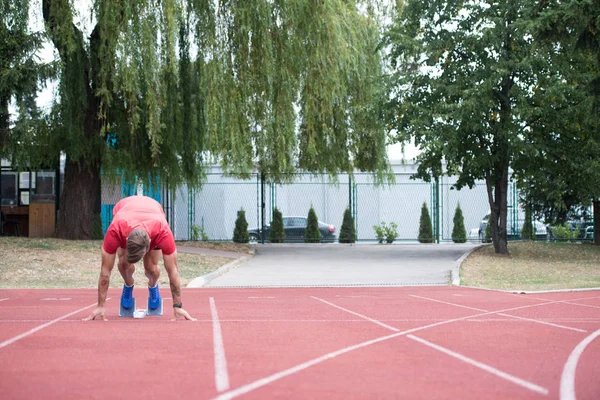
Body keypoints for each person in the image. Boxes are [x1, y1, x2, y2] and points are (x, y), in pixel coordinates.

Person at [84, 195, 196, 321]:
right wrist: (101, 305)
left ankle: (153, 287)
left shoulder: (162, 231)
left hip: (153, 214)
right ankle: (128, 285)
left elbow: (173, 271)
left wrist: (177, 305)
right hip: (125, 211)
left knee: (151, 268)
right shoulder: (116, 230)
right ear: (126, 241)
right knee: (124, 263)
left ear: (150, 243)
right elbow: (105, 271)